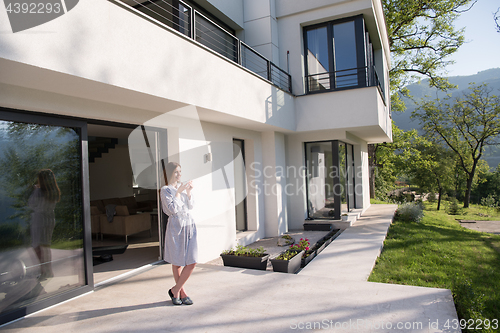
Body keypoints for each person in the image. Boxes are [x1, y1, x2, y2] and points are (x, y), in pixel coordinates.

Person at [160, 162, 197, 305]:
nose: (179, 174)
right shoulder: (165, 190)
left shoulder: (181, 189)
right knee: (177, 263)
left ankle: (175, 289)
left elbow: (191, 206)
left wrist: (188, 192)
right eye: (176, 172)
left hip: (189, 225)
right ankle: (182, 293)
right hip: (176, 227)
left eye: (180, 171)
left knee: (192, 261)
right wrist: (177, 193)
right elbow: (172, 210)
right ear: (170, 173)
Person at [29, 169, 60, 280]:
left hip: (39, 219)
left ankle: (44, 272)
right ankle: (49, 271)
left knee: (37, 246)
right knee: (46, 246)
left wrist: (35, 190)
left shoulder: (39, 192)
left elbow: (31, 205)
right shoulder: (54, 191)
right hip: (50, 219)